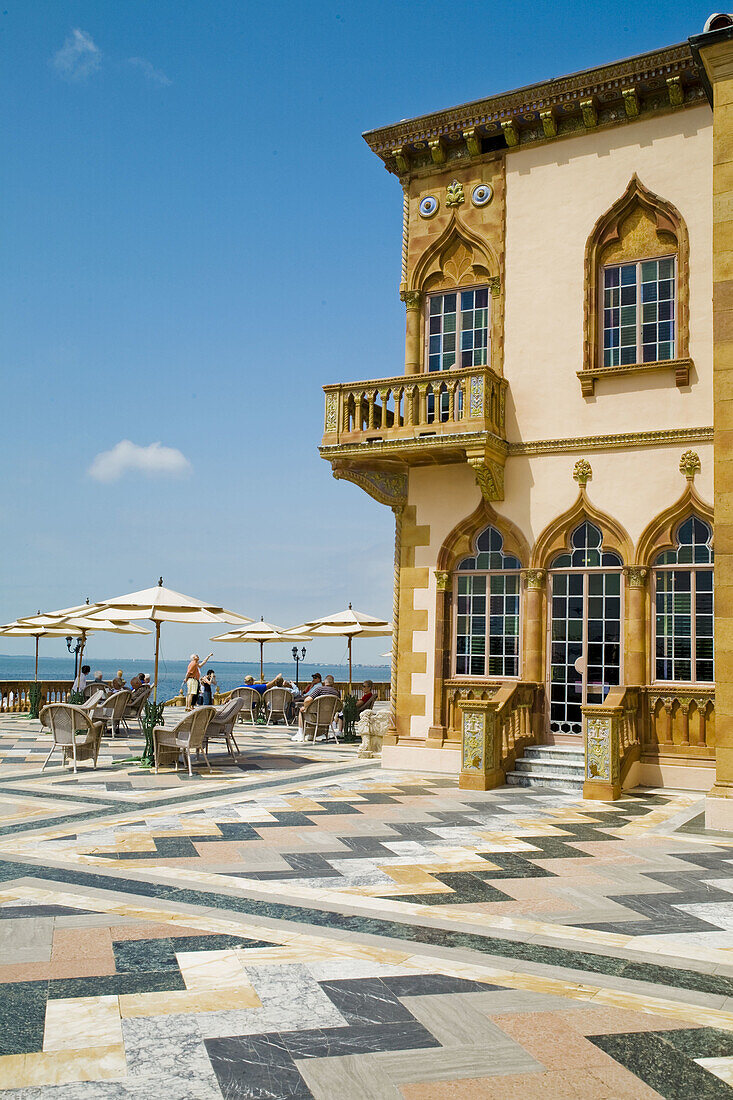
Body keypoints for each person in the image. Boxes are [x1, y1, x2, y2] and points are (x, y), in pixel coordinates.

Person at [292, 675, 339, 743]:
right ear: (333, 683)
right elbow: (338, 707)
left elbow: (308, 700)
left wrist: (305, 707)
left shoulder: (319, 689)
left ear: (324, 682)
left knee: (301, 711)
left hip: (316, 717)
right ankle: (312, 735)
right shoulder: (336, 692)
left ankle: (300, 733)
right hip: (329, 718)